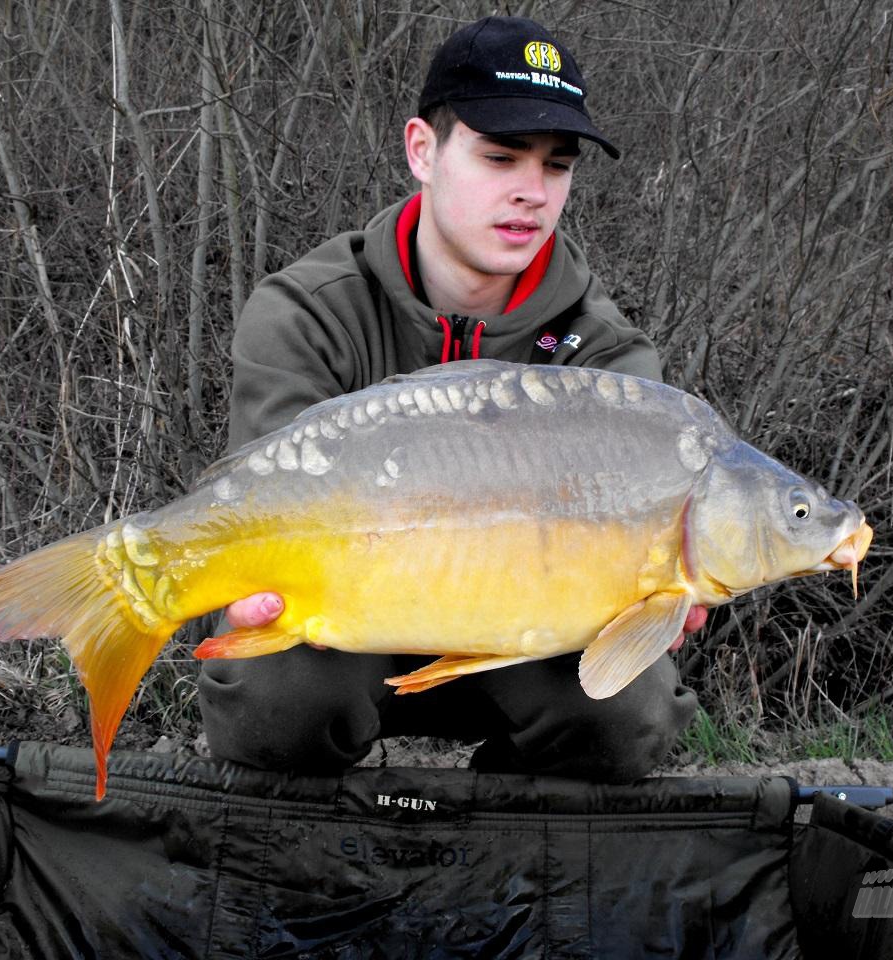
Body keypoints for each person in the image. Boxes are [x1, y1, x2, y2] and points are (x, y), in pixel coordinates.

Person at [198, 15, 704, 782]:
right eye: (500, 157)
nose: (532, 193)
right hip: (342, 630)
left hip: (527, 644)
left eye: (556, 166)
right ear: (422, 151)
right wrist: (244, 587)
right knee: (282, 701)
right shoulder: (305, 311)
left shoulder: (606, 358)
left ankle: (498, 836)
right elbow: (258, 516)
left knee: (624, 716)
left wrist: (660, 598)